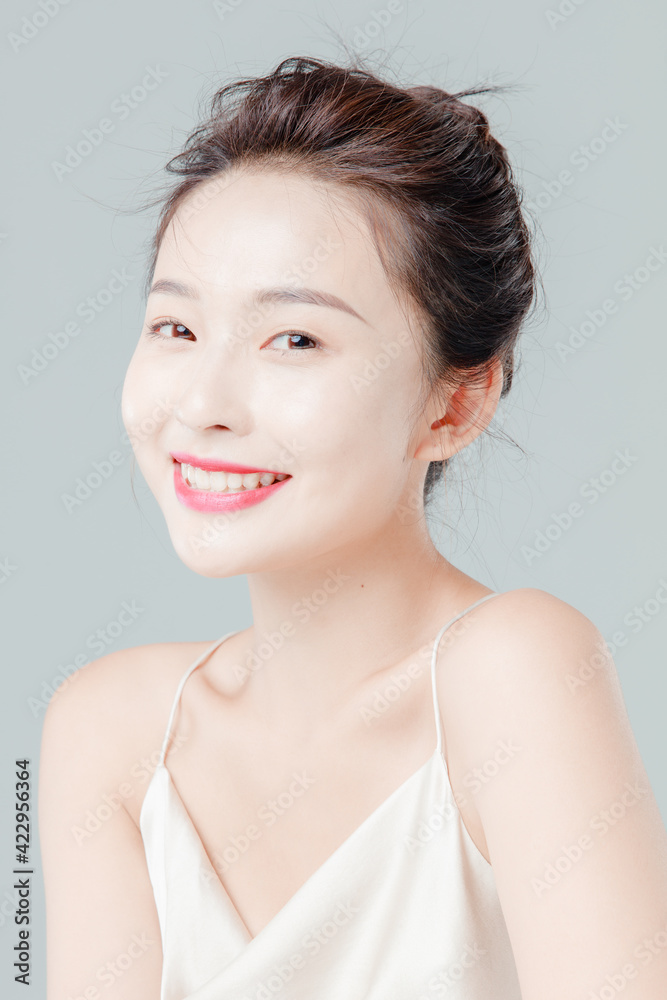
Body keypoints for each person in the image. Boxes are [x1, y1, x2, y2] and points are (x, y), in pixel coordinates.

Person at [38, 55, 667, 1000]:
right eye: (176, 328)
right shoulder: (112, 730)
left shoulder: (511, 673)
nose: (203, 404)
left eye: (295, 339)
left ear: (454, 405)